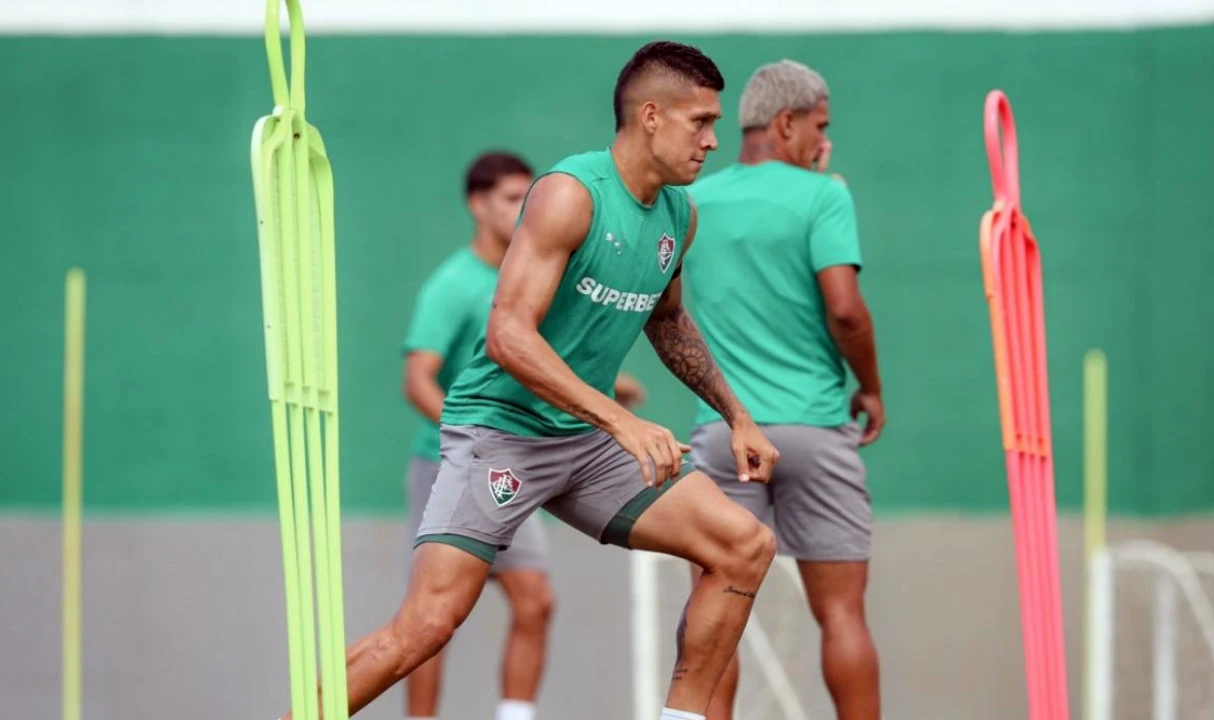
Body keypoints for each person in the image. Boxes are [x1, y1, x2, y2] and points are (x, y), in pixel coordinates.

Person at [280, 40, 782, 720]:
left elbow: (669, 323)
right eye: (701, 122)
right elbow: (508, 333)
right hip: (501, 433)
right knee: (425, 627)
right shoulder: (569, 196)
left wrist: (736, 415)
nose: (713, 141)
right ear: (652, 117)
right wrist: (622, 419)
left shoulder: (677, 216)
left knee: (744, 546)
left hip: (587, 442)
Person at [399, 151, 647, 720]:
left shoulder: (540, 267)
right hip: (452, 463)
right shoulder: (453, 285)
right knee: (429, 620)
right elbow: (417, 380)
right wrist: (469, 446)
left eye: (526, 197)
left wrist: (606, 393)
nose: (522, 209)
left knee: (535, 600)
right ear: (476, 204)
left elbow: (541, 359)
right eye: (511, 198)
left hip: (521, 458)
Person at [682, 59, 885, 720]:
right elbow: (847, 310)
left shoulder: (693, 202)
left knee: (716, 617)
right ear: (788, 123)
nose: (825, 141)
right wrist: (872, 387)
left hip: (723, 435)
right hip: (815, 427)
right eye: (820, 126)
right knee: (842, 615)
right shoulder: (825, 196)